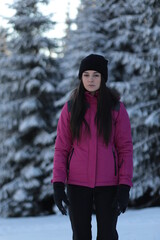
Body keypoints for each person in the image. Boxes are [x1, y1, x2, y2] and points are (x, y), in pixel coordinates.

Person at [51, 54, 133, 240]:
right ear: (81, 77)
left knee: (107, 235)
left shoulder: (116, 109)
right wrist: (57, 184)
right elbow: (61, 148)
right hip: (77, 184)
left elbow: (125, 149)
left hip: (109, 185)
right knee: (80, 235)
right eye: (86, 74)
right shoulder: (71, 108)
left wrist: (124, 186)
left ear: (103, 78)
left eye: (96, 75)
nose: (90, 79)